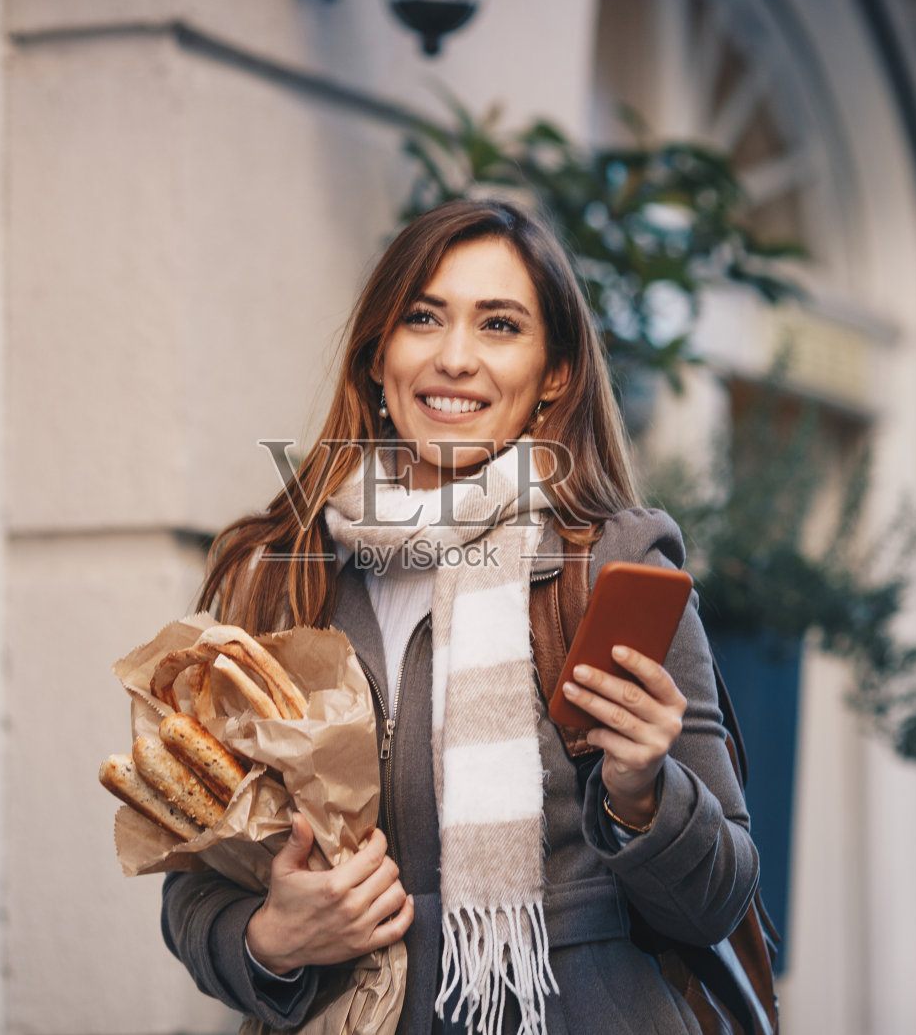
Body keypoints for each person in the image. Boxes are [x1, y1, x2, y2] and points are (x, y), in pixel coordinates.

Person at [161, 198, 759, 1034]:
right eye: (423, 318)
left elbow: (719, 901)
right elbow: (196, 877)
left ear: (555, 374)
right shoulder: (283, 571)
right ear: (379, 355)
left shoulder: (607, 563)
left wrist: (644, 792)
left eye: (500, 326)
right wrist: (272, 937)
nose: (455, 359)